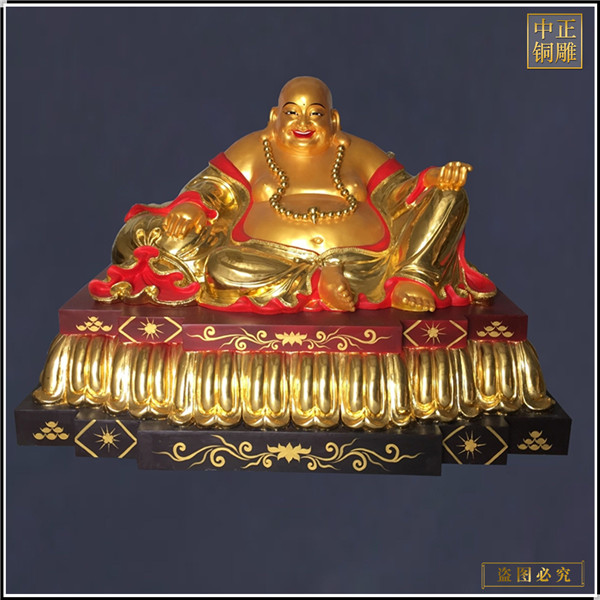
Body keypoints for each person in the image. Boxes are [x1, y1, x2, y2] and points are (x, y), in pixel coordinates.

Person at [90, 76, 496, 313]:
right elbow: (213, 186)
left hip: (369, 261)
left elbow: (398, 194)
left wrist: (433, 180)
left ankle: (413, 277)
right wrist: (193, 206)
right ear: (275, 116)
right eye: (292, 112)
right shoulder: (254, 148)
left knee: (452, 199)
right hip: (270, 258)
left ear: (333, 119)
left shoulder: (357, 151)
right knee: (221, 265)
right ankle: (316, 280)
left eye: (315, 113)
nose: (304, 122)